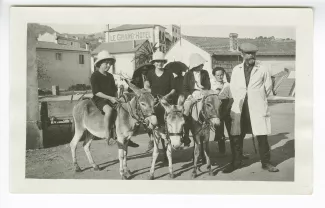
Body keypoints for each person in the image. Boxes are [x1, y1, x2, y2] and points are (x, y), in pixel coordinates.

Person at [222, 43, 279, 173]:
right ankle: (236, 162)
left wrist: (257, 97)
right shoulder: (236, 69)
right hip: (241, 107)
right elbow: (234, 87)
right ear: (242, 55)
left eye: (253, 53)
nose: (251, 56)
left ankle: (266, 163)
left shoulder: (263, 68)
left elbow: (268, 87)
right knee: (237, 136)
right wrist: (239, 99)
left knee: (262, 136)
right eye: (248, 53)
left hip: (257, 106)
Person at [90, 50, 138, 148]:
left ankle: (126, 135)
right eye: (105, 63)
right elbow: (96, 92)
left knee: (125, 108)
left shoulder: (110, 76)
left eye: (109, 63)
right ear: (99, 64)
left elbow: (114, 90)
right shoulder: (95, 75)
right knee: (109, 110)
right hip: (100, 99)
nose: (108, 65)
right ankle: (108, 134)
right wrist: (110, 98)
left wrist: (118, 97)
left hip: (111, 98)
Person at [144, 51, 176, 151]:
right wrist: (150, 91)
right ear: (154, 63)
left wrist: (167, 96)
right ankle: (151, 138)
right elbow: (146, 86)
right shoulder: (150, 73)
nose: (159, 63)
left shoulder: (169, 73)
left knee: (173, 120)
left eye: (161, 61)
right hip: (154, 101)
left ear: (164, 62)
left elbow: (174, 89)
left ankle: (177, 138)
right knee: (148, 119)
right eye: (157, 61)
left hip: (166, 100)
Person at [182, 53, 211, 147]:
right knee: (186, 107)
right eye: (200, 64)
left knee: (212, 105)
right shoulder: (188, 74)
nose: (202, 66)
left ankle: (213, 124)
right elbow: (185, 88)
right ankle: (185, 131)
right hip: (192, 94)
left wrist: (204, 89)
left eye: (202, 64)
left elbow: (208, 85)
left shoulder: (205, 73)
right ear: (195, 65)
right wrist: (189, 96)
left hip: (203, 93)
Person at [211, 67, 232, 155]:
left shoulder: (228, 84)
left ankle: (236, 152)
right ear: (214, 76)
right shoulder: (212, 85)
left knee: (231, 130)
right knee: (219, 131)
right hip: (217, 108)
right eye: (218, 75)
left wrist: (228, 109)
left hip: (226, 107)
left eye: (221, 75)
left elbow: (231, 98)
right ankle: (222, 151)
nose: (220, 77)